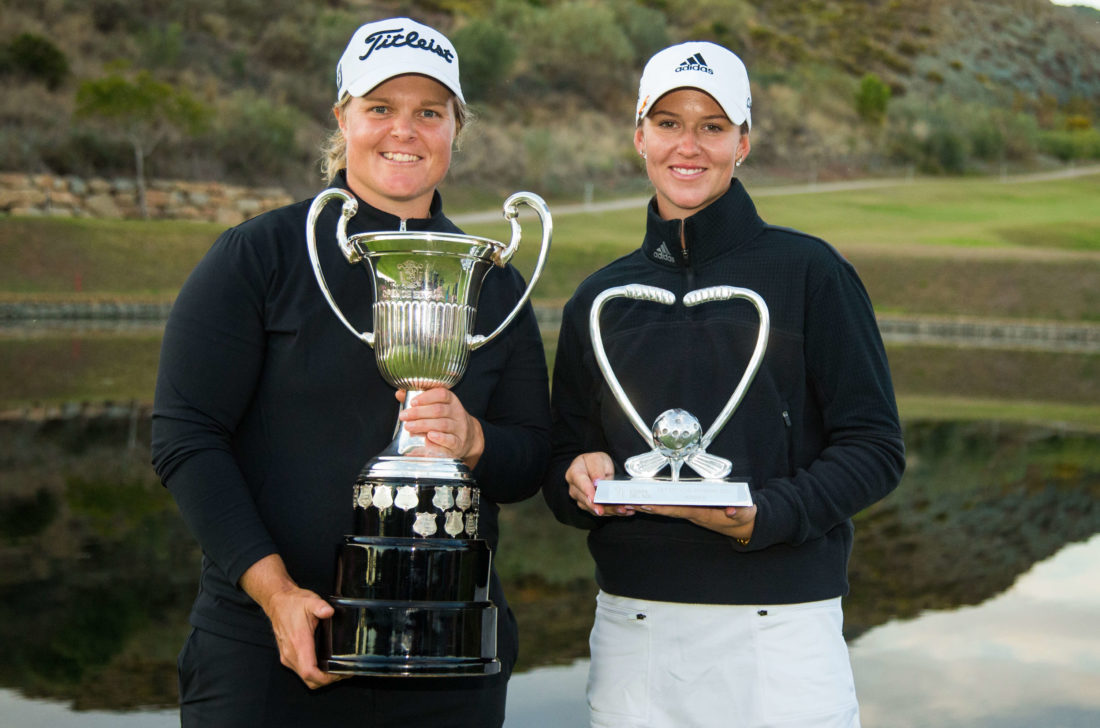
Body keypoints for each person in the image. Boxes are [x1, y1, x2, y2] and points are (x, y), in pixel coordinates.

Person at [152, 17, 551, 727]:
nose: (405, 130)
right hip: (265, 651)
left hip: (447, 659)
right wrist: (275, 594)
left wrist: (476, 440)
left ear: (457, 127)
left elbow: (529, 461)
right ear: (342, 117)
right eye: (380, 108)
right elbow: (186, 437)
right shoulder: (260, 256)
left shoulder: (492, 280)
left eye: (429, 112)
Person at [542, 41, 905, 728]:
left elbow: (875, 448)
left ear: (744, 142)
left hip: (782, 629)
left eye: (712, 126)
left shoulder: (811, 273)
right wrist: (577, 475)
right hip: (634, 630)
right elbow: (565, 455)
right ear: (639, 135)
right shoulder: (600, 296)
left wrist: (765, 517)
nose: (690, 144)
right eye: (670, 122)